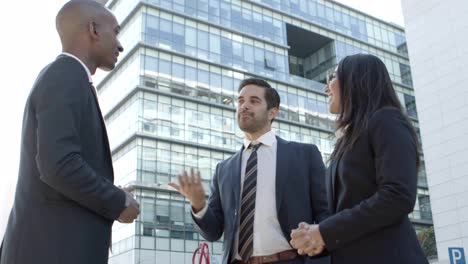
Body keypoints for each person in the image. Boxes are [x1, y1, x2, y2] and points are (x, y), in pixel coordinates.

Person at [0, 1, 140, 264]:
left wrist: (108, 189)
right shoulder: (65, 75)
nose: (120, 45)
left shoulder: (69, 77)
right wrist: (118, 201)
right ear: (93, 30)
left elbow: (60, 165)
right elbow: (59, 165)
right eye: (116, 32)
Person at [169, 78, 329, 264]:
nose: (244, 106)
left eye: (254, 101)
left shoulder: (304, 155)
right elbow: (213, 232)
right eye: (240, 101)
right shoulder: (224, 169)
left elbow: (325, 214)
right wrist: (198, 205)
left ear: (272, 112)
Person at [290, 54, 428, 264]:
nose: (326, 88)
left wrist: (324, 232)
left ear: (355, 79)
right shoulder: (348, 140)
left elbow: (398, 195)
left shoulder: (387, 120)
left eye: (332, 78)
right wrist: (316, 239)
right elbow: (341, 213)